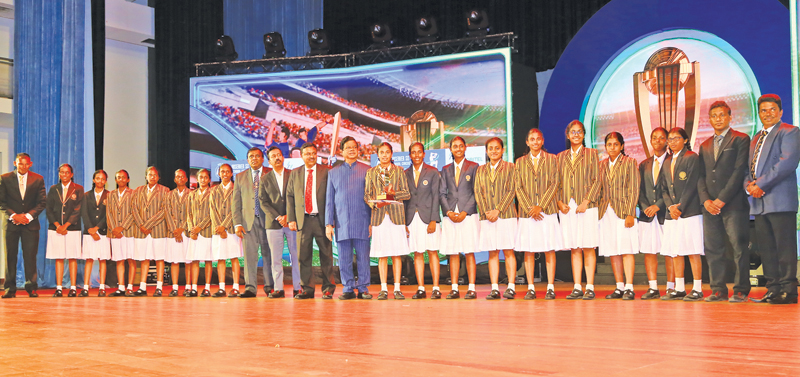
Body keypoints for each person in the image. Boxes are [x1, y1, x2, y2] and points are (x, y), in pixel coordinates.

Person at [745, 94, 800, 305]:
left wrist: (760, 184)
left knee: (784, 248)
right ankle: (773, 289)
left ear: (780, 112)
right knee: (766, 249)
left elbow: (787, 163)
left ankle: (789, 290)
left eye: (771, 109)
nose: (767, 113)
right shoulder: (756, 138)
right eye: (763, 110)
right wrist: (749, 186)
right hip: (759, 203)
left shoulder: (790, 131)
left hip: (780, 201)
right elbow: (747, 170)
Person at [697, 101, 751, 303]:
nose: (718, 119)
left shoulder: (741, 139)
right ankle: (718, 289)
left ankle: (741, 290)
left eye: (722, 115)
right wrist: (706, 201)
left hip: (734, 204)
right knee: (713, 249)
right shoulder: (704, 145)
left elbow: (739, 172)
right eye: (714, 116)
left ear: (730, 117)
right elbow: (700, 176)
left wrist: (721, 199)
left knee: (739, 248)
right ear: (709, 119)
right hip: (709, 207)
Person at [515, 128, 562, 300]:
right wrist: (530, 208)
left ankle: (550, 287)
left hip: (546, 212)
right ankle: (531, 287)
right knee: (528, 250)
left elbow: (554, 183)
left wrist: (540, 206)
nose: (535, 142)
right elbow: (518, 187)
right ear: (527, 142)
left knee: (549, 249)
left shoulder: (552, 159)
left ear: (542, 141)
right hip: (528, 214)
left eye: (538, 139)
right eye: (532, 139)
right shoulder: (519, 162)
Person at [556, 120, 601, 300]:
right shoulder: (560, 156)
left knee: (588, 246)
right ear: (568, 135)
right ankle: (577, 286)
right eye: (573, 132)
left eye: (579, 132)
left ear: (583, 134)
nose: (576, 135)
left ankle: (589, 286)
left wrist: (586, 201)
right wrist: (559, 202)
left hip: (586, 206)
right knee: (575, 247)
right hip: (567, 207)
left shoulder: (592, 154)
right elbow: (556, 182)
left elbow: (597, 180)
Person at [325, 137, 372, 300]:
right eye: (348, 147)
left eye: (354, 147)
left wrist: (372, 222)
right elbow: (329, 201)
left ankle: (364, 288)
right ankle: (348, 288)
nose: (351, 150)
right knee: (343, 259)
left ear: (358, 150)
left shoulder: (368, 170)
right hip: (341, 223)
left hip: (363, 221)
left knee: (363, 258)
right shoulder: (333, 173)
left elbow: (373, 198)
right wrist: (328, 224)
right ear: (342, 151)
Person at [287, 143, 336, 299]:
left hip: (322, 220)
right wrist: (291, 219)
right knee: (303, 256)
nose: (311, 156)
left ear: (317, 155)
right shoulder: (295, 173)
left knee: (326, 255)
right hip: (303, 221)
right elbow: (290, 196)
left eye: (313, 153)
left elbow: (332, 197)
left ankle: (328, 288)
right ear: (301, 156)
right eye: (307, 153)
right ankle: (307, 288)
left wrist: (331, 220)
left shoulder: (327, 172)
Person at [660, 127, 704, 301]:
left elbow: (692, 184)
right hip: (672, 214)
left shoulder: (692, 157)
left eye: (676, 138)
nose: (672, 142)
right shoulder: (667, 160)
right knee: (675, 251)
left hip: (690, 212)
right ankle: (679, 288)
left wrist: (680, 206)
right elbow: (664, 189)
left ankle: (697, 288)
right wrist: (670, 206)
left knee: (693, 250)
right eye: (669, 139)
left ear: (685, 140)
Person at [365, 142, 411, 300]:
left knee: (396, 254)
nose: (384, 155)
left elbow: (406, 194)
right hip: (379, 217)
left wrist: (393, 193)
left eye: (387, 152)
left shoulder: (399, 171)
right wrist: (371, 202)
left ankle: (397, 288)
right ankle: (383, 288)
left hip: (396, 217)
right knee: (382, 255)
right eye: (381, 152)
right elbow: (367, 194)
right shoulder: (371, 172)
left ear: (392, 154)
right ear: (377, 154)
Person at [597, 133, 640, 300]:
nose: (612, 147)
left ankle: (629, 287)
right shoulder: (601, 165)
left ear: (622, 146)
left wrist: (630, 213)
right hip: (606, 212)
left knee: (627, 249)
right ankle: (619, 286)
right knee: (613, 250)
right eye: (609, 144)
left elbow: (634, 189)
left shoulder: (630, 163)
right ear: (605, 147)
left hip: (624, 212)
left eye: (616, 144)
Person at [475, 138, 518, 300]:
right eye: (491, 148)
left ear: (502, 150)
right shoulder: (480, 170)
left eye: (497, 148)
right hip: (487, 217)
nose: (494, 151)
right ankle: (494, 288)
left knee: (508, 251)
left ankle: (511, 287)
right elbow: (478, 192)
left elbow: (511, 190)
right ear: (486, 151)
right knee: (492, 252)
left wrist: (498, 210)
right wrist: (487, 211)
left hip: (506, 215)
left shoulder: (510, 167)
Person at [0, 153, 46, 298]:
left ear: (30, 164)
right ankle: (10, 289)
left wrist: (28, 216)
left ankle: (31, 287)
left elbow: (42, 203)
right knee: (10, 256)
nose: (23, 166)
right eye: (20, 164)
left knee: (30, 256)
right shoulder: (5, 178)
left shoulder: (38, 179)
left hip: (30, 224)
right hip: (11, 224)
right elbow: (1, 202)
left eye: (26, 164)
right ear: (15, 163)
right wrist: (14, 216)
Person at [439, 137, 480, 299]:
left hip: (468, 214)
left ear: (465, 148)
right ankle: (454, 288)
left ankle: (471, 288)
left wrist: (464, 212)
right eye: (454, 146)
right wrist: (448, 212)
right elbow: (442, 193)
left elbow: (476, 191)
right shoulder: (445, 169)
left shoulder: (474, 167)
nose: (457, 148)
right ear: (450, 149)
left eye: (460, 146)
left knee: (469, 251)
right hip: (450, 215)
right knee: (453, 252)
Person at [637, 128, 674, 300]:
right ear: (650, 140)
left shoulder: (672, 161)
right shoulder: (644, 164)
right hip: (647, 215)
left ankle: (671, 288)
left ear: (667, 141)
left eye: (661, 138)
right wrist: (646, 206)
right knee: (649, 251)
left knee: (669, 251)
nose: (657, 141)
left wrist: (658, 205)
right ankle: (653, 287)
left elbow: (671, 189)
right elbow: (640, 190)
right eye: (654, 138)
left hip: (666, 213)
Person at [260, 146, 301, 298]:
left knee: (295, 255)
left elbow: (297, 198)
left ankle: (298, 287)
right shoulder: (264, 179)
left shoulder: (293, 175)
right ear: (269, 161)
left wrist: (289, 217)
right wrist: (278, 217)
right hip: (273, 224)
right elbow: (263, 202)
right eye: (273, 156)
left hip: (292, 223)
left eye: (279, 155)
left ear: (283, 158)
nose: (277, 158)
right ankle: (279, 288)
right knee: (275, 258)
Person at [403, 142, 442, 299]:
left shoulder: (432, 172)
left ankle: (436, 288)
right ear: (410, 155)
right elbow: (404, 200)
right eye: (413, 152)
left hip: (428, 218)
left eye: (419, 152)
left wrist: (433, 219)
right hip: (412, 219)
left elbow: (436, 197)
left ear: (424, 154)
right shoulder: (405, 173)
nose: (417, 155)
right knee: (418, 253)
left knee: (432, 252)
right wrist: (405, 223)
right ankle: (420, 288)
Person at [232, 147, 272, 298]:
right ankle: (250, 288)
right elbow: (236, 203)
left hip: (268, 221)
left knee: (269, 255)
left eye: (257, 156)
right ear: (247, 160)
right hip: (248, 222)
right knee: (250, 256)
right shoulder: (240, 177)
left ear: (263, 159)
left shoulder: (271, 173)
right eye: (251, 157)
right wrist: (237, 223)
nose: (254, 159)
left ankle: (270, 287)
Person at [131, 166, 170, 297]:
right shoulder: (138, 190)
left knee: (159, 258)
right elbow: (134, 209)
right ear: (145, 176)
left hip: (157, 230)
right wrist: (141, 225)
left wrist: (148, 224)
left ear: (158, 177)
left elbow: (164, 210)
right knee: (144, 258)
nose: (152, 177)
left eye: (155, 175)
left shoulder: (165, 190)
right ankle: (142, 287)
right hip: (141, 231)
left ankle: (159, 287)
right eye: (150, 174)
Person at [45, 163, 84, 297]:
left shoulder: (78, 189)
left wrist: (66, 225)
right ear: (59, 174)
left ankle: (73, 287)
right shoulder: (53, 189)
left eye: (67, 172)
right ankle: (59, 288)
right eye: (62, 172)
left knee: (72, 257)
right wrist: (57, 225)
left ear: (71, 175)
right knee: (59, 257)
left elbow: (78, 210)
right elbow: (49, 209)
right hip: (56, 229)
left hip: (72, 228)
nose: (64, 175)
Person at [210, 164, 242, 297]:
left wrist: (225, 226)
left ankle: (235, 287)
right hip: (218, 230)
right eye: (222, 171)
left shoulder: (236, 189)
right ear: (218, 173)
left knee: (234, 258)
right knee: (220, 259)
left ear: (231, 174)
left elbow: (236, 210)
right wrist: (219, 227)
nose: (224, 174)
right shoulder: (214, 190)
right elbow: (212, 210)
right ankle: (221, 287)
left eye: (227, 171)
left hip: (232, 228)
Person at [80, 170, 111, 297]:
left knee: (102, 259)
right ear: (93, 180)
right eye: (97, 178)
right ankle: (86, 287)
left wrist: (98, 227)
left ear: (106, 181)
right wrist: (91, 229)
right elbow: (84, 214)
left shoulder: (109, 195)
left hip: (103, 232)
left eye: (103, 179)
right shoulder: (86, 195)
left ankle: (102, 287)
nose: (100, 181)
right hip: (89, 233)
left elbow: (109, 215)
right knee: (89, 259)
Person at [107, 170, 137, 297]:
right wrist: (114, 228)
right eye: (118, 177)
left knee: (131, 259)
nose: (121, 179)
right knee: (119, 260)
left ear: (128, 179)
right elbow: (108, 213)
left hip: (129, 231)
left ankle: (130, 287)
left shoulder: (133, 194)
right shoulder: (111, 194)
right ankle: (121, 287)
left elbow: (134, 212)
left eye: (123, 177)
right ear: (115, 180)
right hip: (115, 233)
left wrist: (122, 227)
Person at [187, 169, 214, 297]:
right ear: (197, 179)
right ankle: (194, 287)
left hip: (207, 231)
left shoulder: (213, 193)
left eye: (205, 177)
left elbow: (212, 214)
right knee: (195, 260)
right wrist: (192, 228)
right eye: (200, 177)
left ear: (209, 179)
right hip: (194, 233)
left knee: (208, 260)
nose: (203, 179)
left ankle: (207, 288)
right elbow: (189, 214)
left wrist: (200, 227)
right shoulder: (192, 194)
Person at [165, 169, 192, 297]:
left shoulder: (192, 194)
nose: (180, 178)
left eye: (182, 176)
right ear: (174, 179)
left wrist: (182, 228)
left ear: (186, 179)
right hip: (173, 233)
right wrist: (175, 230)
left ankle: (188, 287)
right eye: (177, 177)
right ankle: (175, 287)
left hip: (186, 232)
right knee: (174, 261)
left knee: (188, 261)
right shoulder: (169, 195)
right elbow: (167, 213)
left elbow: (192, 214)